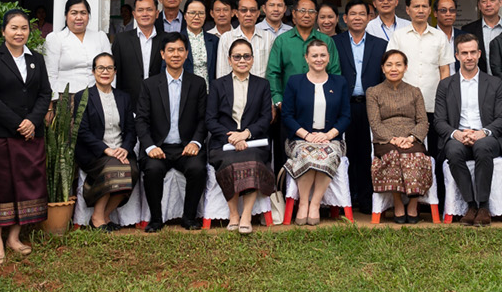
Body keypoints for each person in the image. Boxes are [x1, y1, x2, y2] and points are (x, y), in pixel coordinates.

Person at [0, 9, 53, 256]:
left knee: (27, 183)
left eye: (24, 28)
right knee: (1, 186)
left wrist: (32, 121)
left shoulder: (37, 60)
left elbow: (44, 94)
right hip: (1, 134)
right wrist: (18, 123)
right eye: (14, 28)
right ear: (3, 31)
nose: (19, 33)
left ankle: (14, 237)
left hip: (32, 134)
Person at [135, 32, 211, 232]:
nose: (175, 54)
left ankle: (189, 217)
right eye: (170, 50)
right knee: (152, 170)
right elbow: (141, 120)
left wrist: (195, 142)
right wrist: (150, 146)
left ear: (186, 54)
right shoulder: (149, 85)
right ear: (162, 54)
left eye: (180, 50)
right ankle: (156, 219)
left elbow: (204, 119)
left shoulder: (198, 83)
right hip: (159, 147)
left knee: (197, 169)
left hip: (187, 146)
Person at [433, 33, 502, 225]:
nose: (469, 57)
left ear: (479, 54)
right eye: (464, 53)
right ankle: (470, 205)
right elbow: (439, 121)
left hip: (485, 136)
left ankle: (483, 206)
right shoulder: (445, 85)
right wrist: (457, 134)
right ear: (457, 56)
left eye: (472, 52)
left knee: (482, 147)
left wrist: (481, 133)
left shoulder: (494, 83)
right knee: (452, 149)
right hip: (458, 136)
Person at [207, 39, 275, 233]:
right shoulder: (218, 85)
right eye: (237, 56)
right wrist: (231, 137)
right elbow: (210, 120)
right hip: (224, 143)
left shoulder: (262, 85)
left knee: (252, 160)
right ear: (229, 60)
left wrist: (246, 134)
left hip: (254, 142)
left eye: (246, 56)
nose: (242, 60)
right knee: (230, 161)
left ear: (252, 60)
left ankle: (246, 215)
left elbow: (265, 118)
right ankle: (233, 213)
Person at [283, 36, 350, 227]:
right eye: (314, 55)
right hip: (300, 138)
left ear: (329, 57)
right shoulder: (295, 82)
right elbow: (287, 115)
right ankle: (303, 202)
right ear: (306, 58)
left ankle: (315, 204)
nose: (319, 59)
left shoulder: (340, 82)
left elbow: (346, 116)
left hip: (331, 139)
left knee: (326, 155)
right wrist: (307, 135)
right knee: (307, 154)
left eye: (322, 55)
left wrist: (328, 136)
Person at [367, 48, 433, 222]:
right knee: (394, 156)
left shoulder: (414, 91)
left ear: (405, 67)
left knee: (417, 156)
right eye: (389, 65)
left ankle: (412, 204)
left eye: (398, 64)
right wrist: (393, 139)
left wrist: (411, 138)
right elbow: (375, 123)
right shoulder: (373, 92)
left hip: (411, 137)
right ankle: (397, 203)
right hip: (385, 140)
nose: (393, 69)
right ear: (383, 68)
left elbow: (423, 121)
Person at [73, 53, 135, 229]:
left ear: (115, 72)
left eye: (109, 68)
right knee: (113, 167)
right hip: (94, 153)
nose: (105, 72)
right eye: (100, 68)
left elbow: (131, 129)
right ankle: (97, 218)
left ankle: (106, 215)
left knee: (133, 170)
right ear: (93, 71)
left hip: (120, 151)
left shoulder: (124, 97)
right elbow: (82, 131)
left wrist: (125, 149)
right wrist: (106, 150)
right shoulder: (83, 97)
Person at [334, 0, 384, 212]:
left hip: (370, 105)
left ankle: (365, 196)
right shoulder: (335, 42)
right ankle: (348, 195)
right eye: (352, 14)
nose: (357, 17)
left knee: (366, 152)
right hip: (343, 105)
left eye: (361, 14)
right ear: (345, 18)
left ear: (369, 17)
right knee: (347, 151)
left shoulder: (380, 44)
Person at [265, 0, 341, 119]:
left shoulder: (326, 41)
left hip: (323, 105)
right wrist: (279, 101)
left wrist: (332, 99)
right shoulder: (282, 41)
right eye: (302, 11)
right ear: (294, 13)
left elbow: (335, 73)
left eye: (311, 11)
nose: (307, 15)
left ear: (316, 15)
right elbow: (273, 73)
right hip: (289, 107)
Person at [394, 0, 453, 123]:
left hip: (432, 101)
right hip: (403, 101)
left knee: (433, 141)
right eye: (416, 7)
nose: (421, 10)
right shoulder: (398, 36)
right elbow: (392, 68)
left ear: (430, 10)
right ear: (408, 10)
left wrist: (443, 97)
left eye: (424, 6)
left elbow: (444, 70)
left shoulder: (439, 36)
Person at [45, 0, 115, 95]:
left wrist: (109, 94)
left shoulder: (100, 37)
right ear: (66, 16)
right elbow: (50, 74)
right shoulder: (55, 38)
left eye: (83, 13)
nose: (79, 17)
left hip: (97, 96)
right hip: (65, 98)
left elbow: (110, 68)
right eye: (74, 13)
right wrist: (52, 101)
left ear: (88, 15)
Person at [112, 0, 163, 95]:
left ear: (157, 14)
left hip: (160, 98)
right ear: (134, 14)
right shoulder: (121, 39)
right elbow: (115, 72)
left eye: (149, 10)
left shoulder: (166, 39)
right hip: (129, 99)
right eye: (140, 10)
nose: (145, 14)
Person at [218, 0, 272, 78]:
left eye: (252, 10)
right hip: (234, 88)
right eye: (243, 10)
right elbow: (222, 71)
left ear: (258, 13)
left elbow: (272, 71)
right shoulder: (226, 38)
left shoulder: (268, 37)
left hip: (261, 89)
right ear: (236, 13)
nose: (248, 14)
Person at [458, 0, 502, 65]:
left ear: (500, 2)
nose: (488, 4)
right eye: (484, 1)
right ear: (479, 6)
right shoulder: (468, 30)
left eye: (492, 0)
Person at [182, 0, 220, 88]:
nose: (196, 17)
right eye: (192, 13)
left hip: (207, 92)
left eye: (201, 13)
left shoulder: (214, 40)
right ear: (185, 16)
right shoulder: (177, 40)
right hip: (184, 91)